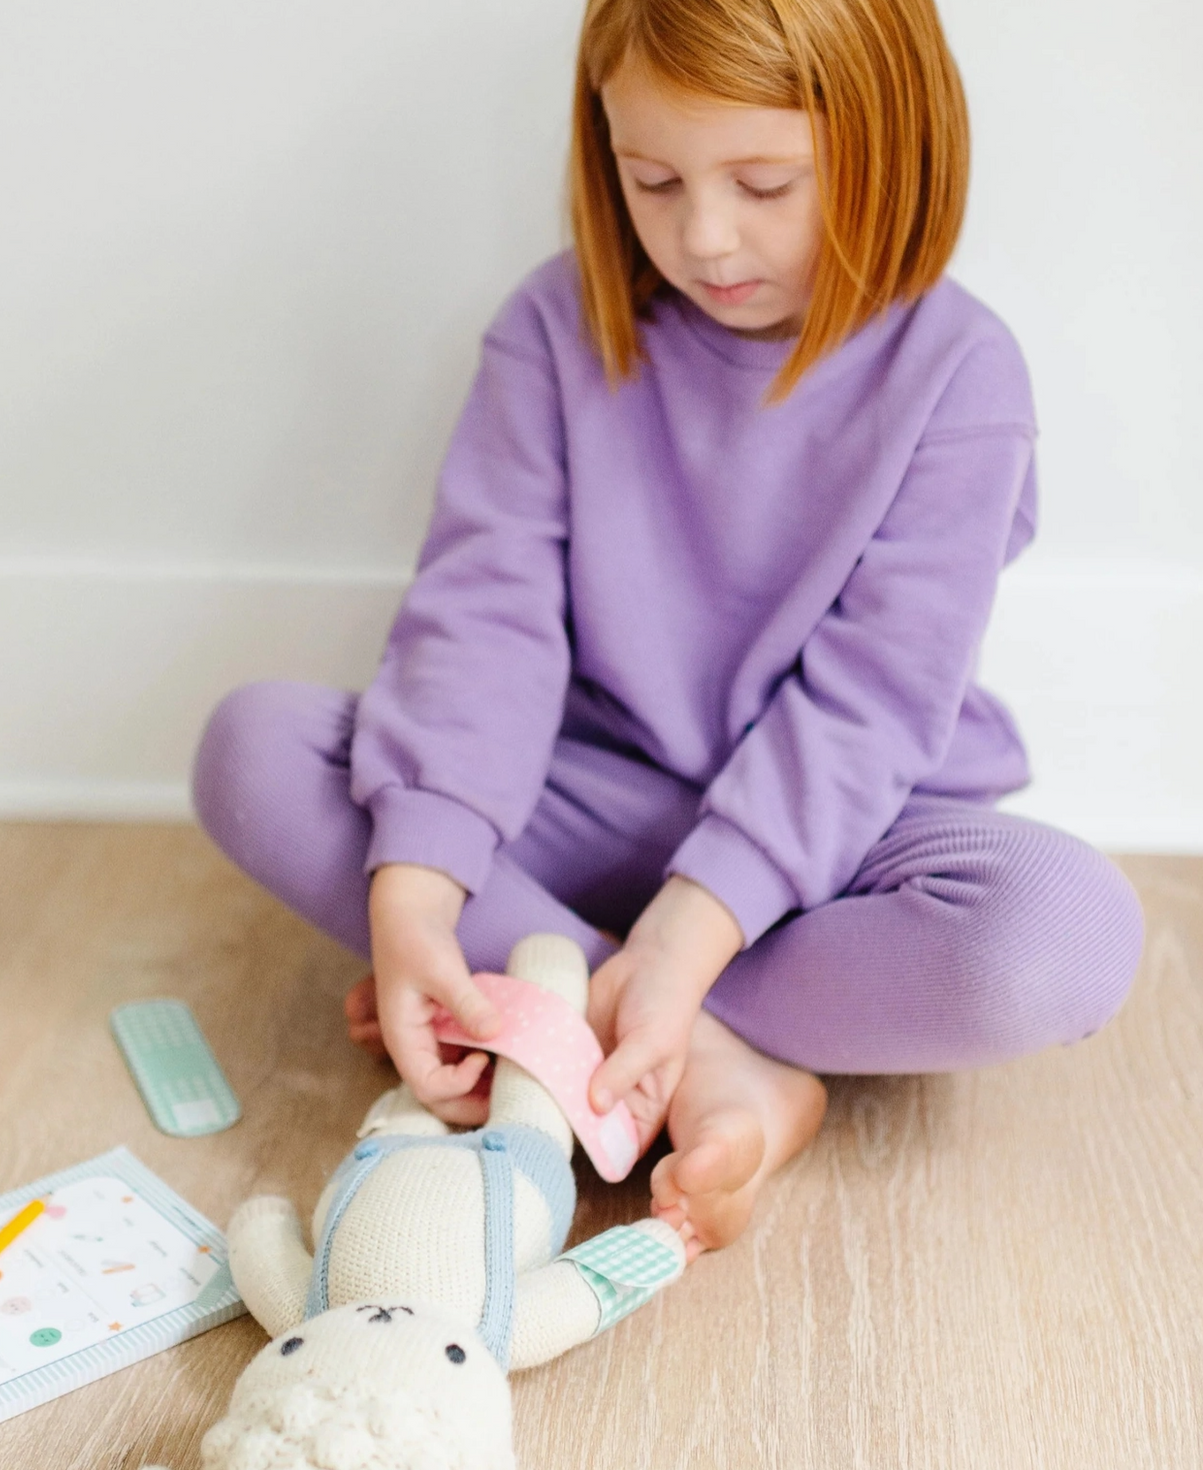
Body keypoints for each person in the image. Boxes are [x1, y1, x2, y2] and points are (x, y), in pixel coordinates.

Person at [193, 0, 1144, 1259]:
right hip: (579, 794)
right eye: (653, 181)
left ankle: (559, 1000)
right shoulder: (551, 330)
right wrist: (418, 891)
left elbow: (872, 704)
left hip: (834, 832)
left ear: (889, 144)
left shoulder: (960, 375)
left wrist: (694, 928)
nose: (704, 236)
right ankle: (701, 1054)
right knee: (256, 748)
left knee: (1061, 935)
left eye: (763, 184)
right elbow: (485, 615)